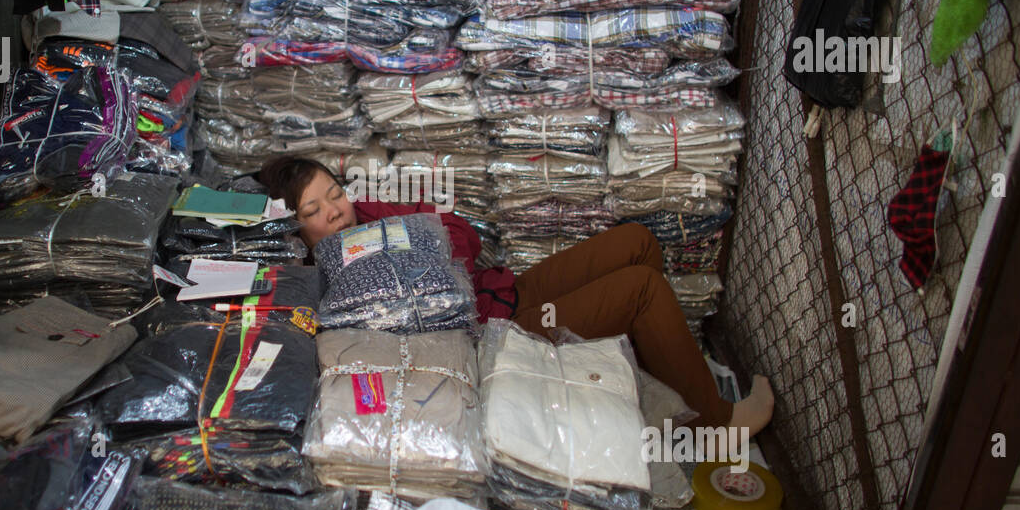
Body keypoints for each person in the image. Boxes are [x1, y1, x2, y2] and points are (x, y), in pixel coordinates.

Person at [258, 156, 774, 434]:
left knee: (635, 240)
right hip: (496, 337)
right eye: (312, 211)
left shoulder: (369, 217)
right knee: (639, 290)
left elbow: (462, 233)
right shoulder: (326, 288)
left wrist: (434, 258)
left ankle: (658, 372)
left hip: (501, 293)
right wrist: (428, 263)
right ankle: (717, 427)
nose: (334, 211)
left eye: (335, 193)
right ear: (291, 227)